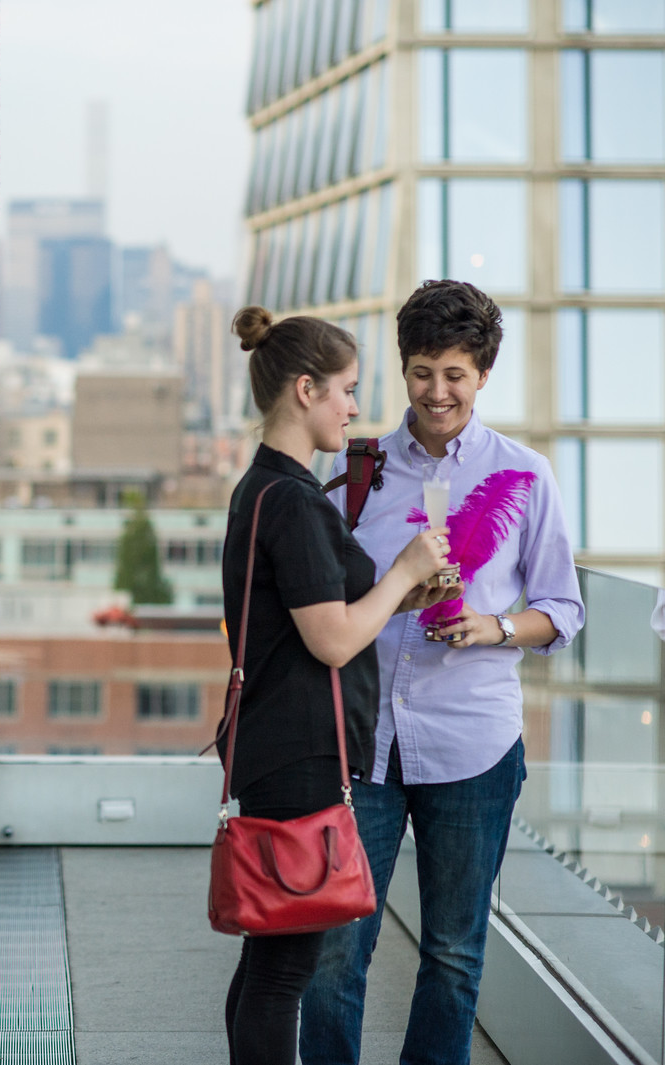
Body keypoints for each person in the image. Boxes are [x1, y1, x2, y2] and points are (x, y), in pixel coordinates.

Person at [299, 280, 586, 1065]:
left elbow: (563, 608)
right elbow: (322, 600)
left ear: (483, 374)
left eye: (455, 374)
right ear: (404, 368)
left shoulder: (524, 475)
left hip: (475, 748)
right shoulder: (357, 472)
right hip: (363, 747)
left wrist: (495, 626)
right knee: (332, 956)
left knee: (454, 960)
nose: (436, 392)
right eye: (423, 371)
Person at [220, 307, 452, 1065]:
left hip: (277, 747)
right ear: (304, 388)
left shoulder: (267, 487)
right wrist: (409, 573)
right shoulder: (291, 500)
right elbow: (334, 638)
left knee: (268, 957)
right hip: (298, 755)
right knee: (284, 969)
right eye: (347, 390)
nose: (355, 407)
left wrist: (399, 591)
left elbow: (330, 613)